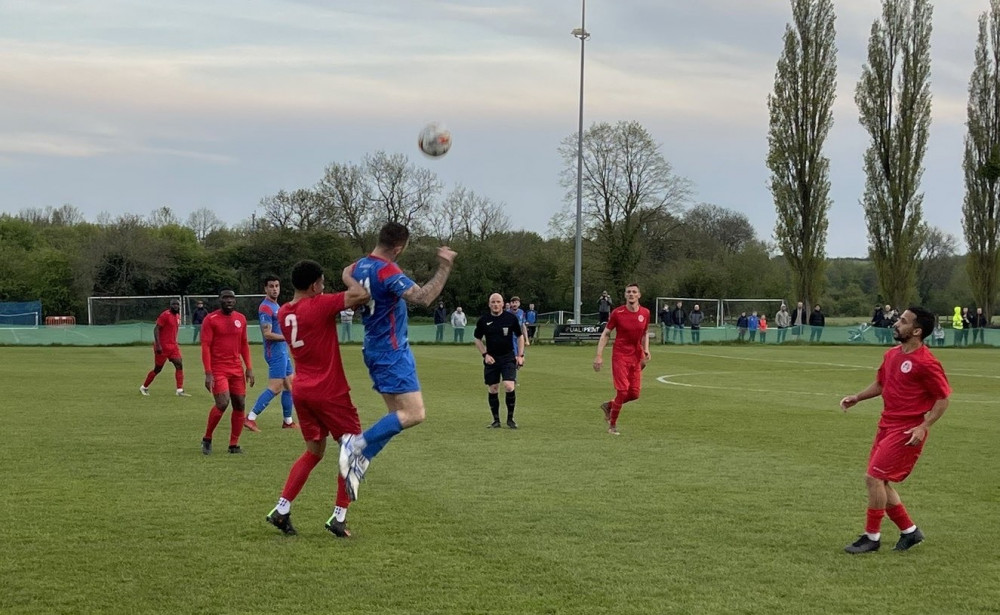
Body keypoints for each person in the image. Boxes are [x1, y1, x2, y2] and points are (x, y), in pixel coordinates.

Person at [338, 222, 457, 500]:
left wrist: (356, 289)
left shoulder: (357, 268)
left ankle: (360, 463)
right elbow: (422, 297)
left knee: (396, 417)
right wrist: (444, 266)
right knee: (414, 414)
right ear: (399, 248)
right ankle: (355, 444)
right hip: (391, 351)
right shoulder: (387, 270)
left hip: (374, 349)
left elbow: (345, 272)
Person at [264, 259, 370, 539]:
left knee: (314, 452)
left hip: (303, 390)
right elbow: (361, 294)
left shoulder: (285, 311)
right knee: (354, 450)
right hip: (330, 390)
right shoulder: (319, 304)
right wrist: (348, 274)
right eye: (322, 283)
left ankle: (282, 508)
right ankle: (339, 516)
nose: (324, 288)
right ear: (314, 285)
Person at [840, 306, 951, 554]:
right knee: (881, 481)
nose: (896, 324)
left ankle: (872, 537)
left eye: (903, 321)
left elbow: (942, 399)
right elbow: (881, 383)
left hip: (907, 429)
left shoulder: (927, 362)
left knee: (873, 478)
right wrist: (857, 397)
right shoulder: (892, 355)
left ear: (917, 330)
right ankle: (910, 532)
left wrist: (924, 426)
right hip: (886, 424)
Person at [200, 289, 254, 455]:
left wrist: (249, 368)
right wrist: (208, 372)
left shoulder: (241, 319)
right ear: (220, 300)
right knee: (223, 403)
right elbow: (205, 346)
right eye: (225, 298)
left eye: (232, 298)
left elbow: (244, 344)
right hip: (218, 369)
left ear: (235, 301)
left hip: (236, 368)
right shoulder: (211, 319)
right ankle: (207, 438)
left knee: (240, 404)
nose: (229, 300)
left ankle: (233, 445)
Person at [593, 283, 650, 436]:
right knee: (623, 390)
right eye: (628, 292)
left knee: (634, 394)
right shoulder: (618, 313)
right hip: (620, 355)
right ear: (625, 295)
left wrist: (646, 350)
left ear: (639, 295)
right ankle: (612, 426)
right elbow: (606, 334)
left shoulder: (645, 313)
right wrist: (599, 355)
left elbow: (645, 333)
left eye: (634, 292)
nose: (631, 294)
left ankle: (609, 405)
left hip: (636, 356)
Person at [245, 276, 297, 432]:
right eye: (271, 286)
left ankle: (287, 421)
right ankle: (250, 418)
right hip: (274, 352)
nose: (275, 289)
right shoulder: (266, 308)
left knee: (290, 385)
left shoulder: (276, 306)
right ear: (265, 289)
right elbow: (267, 334)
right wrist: (288, 338)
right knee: (276, 387)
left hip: (282, 351)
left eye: (277, 286)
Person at [473, 293, 525, 429]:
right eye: (493, 302)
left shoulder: (511, 318)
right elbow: (477, 339)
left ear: (503, 304)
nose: (496, 304)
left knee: (509, 386)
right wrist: (485, 354)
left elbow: (520, 337)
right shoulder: (484, 320)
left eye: (498, 302)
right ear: (489, 304)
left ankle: (510, 419)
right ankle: (496, 421)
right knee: (493, 388)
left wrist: (520, 355)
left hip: (508, 357)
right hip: (492, 359)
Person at [140, 298, 190, 397]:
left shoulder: (178, 316)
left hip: (173, 346)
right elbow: (156, 329)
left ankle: (179, 390)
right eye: (174, 304)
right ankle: (144, 387)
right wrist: (158, 345)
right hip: (162, 347)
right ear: (170, 305)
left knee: (179, 364)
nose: (176, 306)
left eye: (177, 304)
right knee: (158, 369)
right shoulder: (165, 315)